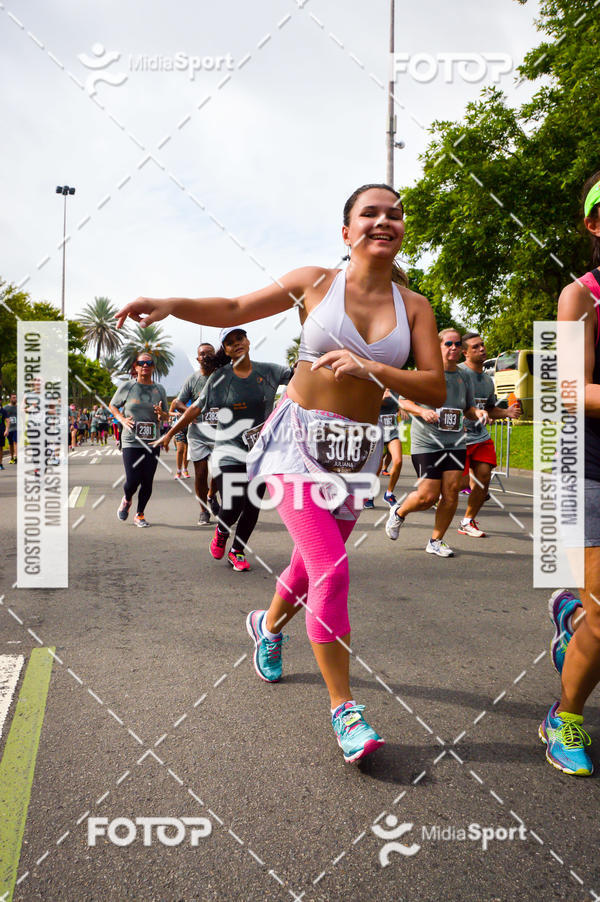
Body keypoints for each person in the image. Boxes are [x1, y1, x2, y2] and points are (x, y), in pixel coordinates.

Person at [116, 183, 445, 763]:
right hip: (295, 442)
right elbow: (234, 309)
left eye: (394, 214)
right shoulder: (315, 282)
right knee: (332, 570)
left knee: (307, 568)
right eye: (370, 213)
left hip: (356, 452)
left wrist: (370, 368)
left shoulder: (414, 306)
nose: (383, 221)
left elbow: (434, 386)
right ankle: (345, 710)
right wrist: (171, 304)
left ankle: (267, 627)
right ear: (346, 231)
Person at [540, 171, 600, 777]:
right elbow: (569, 390)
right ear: (594, 223)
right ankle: (566, 716)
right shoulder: (582, 295)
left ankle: (573, 616)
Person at [157, 328, 292, 570]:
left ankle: (237, 551)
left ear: (247, 341)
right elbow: (196, 408)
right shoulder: (220, 378)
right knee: (234, 501)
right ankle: (221, 530)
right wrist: (169, 433)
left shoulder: (269, 371)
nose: (236, 343)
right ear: (226, 350)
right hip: (228, 450)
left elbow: (300, 376)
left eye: (240, 338)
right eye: (230, 342)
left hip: (260, 453)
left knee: (252, 505)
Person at [385, 328, 488, 557]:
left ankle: (436, 540)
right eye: (448, 344)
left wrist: (478, 413)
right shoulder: (425, 373)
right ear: (438, 346)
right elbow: (404, 402)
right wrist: (422, 411)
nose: (454, 348)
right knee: (428, 497)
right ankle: (399, 512)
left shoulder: (464, 376)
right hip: (427, 443)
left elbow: (468, 408)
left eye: (457, 344)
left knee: (451, 493)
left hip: (455, 443)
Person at [457, 332, 521, 536]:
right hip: (457, 438)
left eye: (482, 345)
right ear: (465, 352)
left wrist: (507, 412)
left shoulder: (487, 380)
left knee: (484, 477)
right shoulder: (457, 373)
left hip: (480, 436)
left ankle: (468, 521)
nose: (482, 349)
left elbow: (490, 408)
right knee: (459, 483)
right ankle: (435, 491)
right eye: (475, 347)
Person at [108, 353, 168, 527]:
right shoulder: (128, 386)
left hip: (152, 440)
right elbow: (112, 405)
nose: (145, 365)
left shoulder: (159, 389)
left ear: (153, 367)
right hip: (131, 440)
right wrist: (121, 419)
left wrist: (162, 414)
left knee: (147, 480)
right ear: (136, 367)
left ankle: (140, 514)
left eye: (149, 363)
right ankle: (127, 499)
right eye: (141, 363)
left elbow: (165, 416)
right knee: (133, 480)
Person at [174, 343, 218, 525]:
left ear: (215, 356)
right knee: (200, 474)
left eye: (210, 353)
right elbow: (177, 402)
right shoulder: (192, 379)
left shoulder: (224, 376)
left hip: (221, 433)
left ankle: (211, 495)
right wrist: (191, 412)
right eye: (202, 354)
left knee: (221, 472)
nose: (206, 356)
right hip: (198, 434)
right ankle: (203, 511)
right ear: (197, 358)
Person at [168, 398, 190, 479]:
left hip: (190, 427)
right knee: (180, 449)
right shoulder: (176, 401)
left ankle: (185, 469)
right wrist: (175, 414)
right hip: (179, 427)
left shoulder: (193, 400)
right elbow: (169, 412)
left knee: (187, 450)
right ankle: (178, 471)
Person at [4, 392, 18, 463]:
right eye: (13, 397)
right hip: (9, 429)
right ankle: (12, 457)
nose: (15, 399)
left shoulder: (18, 407)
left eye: (15, 397)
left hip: (17, 428)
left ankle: (16, 457)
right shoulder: (6, 407)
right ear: (10, 398)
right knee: (11, 444)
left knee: (16, 441)